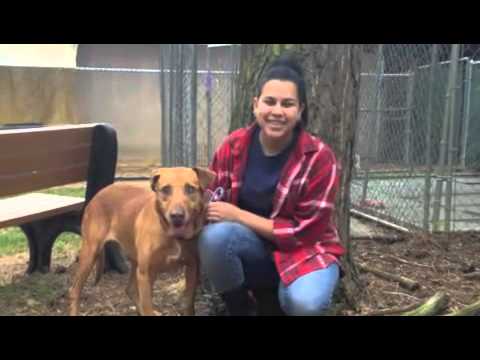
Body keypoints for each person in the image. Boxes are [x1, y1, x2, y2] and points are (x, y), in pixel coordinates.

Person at [198, 53, 345, 316]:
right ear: (256, 105)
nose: (277, 111)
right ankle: (241, 308)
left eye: (287, 104)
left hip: (307, 254)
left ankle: (275, 303)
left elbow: (303, 234)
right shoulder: (233, 146)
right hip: (253, 250)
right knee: (214, 238)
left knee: (304, 304)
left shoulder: (320, 158)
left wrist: (238, 215)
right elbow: (213, 201)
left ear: (300, 110)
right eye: (270, 101)